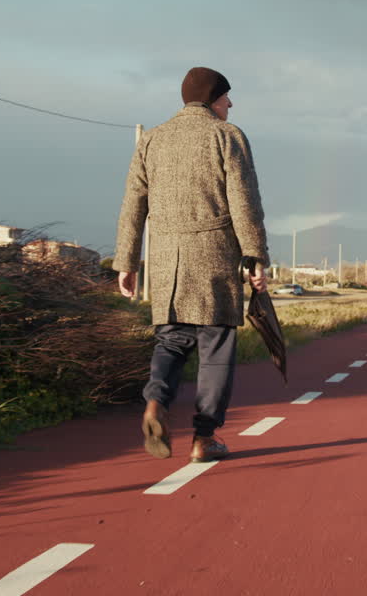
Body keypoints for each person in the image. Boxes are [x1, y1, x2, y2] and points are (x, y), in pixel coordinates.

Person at [113, 66, 269, 463]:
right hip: (214, 257)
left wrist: (127, 262)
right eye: (226, 97)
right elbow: (245, 203)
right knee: (215, 347)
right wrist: (256, 256)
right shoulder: (227, 136)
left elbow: (133, 205)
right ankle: (204, 438)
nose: (230, 104)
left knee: (171, 341)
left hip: (166, 260)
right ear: (212, 98)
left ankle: (155, 402)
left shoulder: (152, 139)